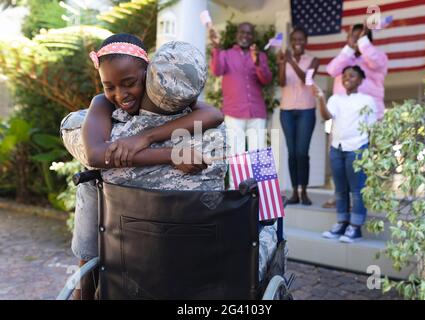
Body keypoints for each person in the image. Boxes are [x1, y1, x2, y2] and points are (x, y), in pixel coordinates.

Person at [61, 36, 278, 298]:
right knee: (270, 229)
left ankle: (82, 289)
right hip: (199, 269)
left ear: (149, 74)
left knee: (90, 187)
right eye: (110, 87)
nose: (120, 94)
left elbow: (92, 150)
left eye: (129, 83)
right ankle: (82, 286)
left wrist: (145, 138)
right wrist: (170, 154)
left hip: (128, 265)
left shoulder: (116, 132)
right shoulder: (209, 134)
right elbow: (95, 154)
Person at [323, 22, 388, 209]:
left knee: (370, 160)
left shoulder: (378, 58)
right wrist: (349, 48)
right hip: (342, 120)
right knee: (339, 161)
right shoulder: (345, 60)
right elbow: (331, 70)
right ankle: (339, 197)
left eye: (360, 36)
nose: (355, 39)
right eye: (353, 36)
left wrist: (363, 43)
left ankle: (368, 199)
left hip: (370, 120)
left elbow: (375, 61)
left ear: (367, 39)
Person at [312, 66, 377, 243]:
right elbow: (327, 117)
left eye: (352, 75)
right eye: (345, 75)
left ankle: (355, 228)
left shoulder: (367, 100)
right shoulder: (336, 99)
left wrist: (370, 153)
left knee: (357, 190)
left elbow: (372, 128)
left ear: (361, 80)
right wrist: (321, 99)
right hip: (337, 148)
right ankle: (342, 223)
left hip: (357, 147)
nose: (348, 78)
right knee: (340, 190)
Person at [209, 22, 273, 187]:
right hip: (234, 112)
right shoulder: (226, 54)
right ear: (237, 34)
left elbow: (266, 79)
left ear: (253, 36)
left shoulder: (260, 56)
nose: (245, 35)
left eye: (249, 33)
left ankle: (261, 195)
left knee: (258, 155)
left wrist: (257, 61)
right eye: (242, 32)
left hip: (256, 112)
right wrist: (216, 47)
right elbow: (216, 70)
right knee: (237, 155)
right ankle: (236, 193)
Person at [277, 27, 320, 205]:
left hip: (306, 110)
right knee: (292, 153)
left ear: (305, 41)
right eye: (294, 39)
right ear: (290, 40)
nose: (297, 43)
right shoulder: (284, 60)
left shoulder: (313, 60)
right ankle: (295, 192)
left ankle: (304, 191)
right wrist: (282, 63)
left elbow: (306, 80)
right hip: (286, 110)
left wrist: (291, 62)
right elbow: (281, 82)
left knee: (302, 152)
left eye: (301, 39)